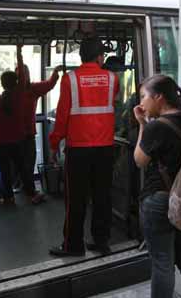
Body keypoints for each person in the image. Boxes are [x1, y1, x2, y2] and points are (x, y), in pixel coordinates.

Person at [132, 74, 181, 298]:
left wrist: (141, 125)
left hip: (160, 200)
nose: (141, 103)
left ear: (158, 97)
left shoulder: (156, 127)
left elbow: (139, 160)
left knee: (162, 263)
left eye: (143, 97)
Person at [49, 37, 119, 256]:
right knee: (102, 196)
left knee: (76, 198)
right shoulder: (112, 78)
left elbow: (62, 116)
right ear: (100, 56)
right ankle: (101, 241)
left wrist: (54, 143)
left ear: (81, 57)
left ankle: (73, 245)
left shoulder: (69, 80)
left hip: (78, 148)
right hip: (105, 147)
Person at [16, 44, 62, 203]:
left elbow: (49, 84)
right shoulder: (19, 91)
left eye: (24, 73)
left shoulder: (32, 89)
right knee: (24, 163)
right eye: (21, 74)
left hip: (26, 133)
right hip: (19, 134)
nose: (23, 76)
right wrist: (19, 53)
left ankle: (25, 188)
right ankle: (28, 190)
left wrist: (55, 73)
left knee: (27, 162)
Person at [0, 71, 30, 205]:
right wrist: (19, 52)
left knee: (5, 170)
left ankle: (9, 197)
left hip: (0, 142)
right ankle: (31, 193)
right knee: (22, 168)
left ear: (2, 84)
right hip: (17, 140)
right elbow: (23, 79)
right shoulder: (18, 97)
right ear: (16, 83)